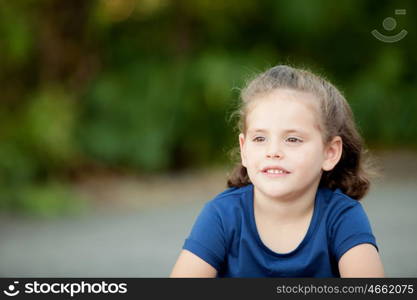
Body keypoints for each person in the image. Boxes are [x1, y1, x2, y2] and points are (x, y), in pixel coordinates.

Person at [170, 65, 384, 277]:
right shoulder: (222, 215)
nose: (273, 151)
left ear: (329, 152)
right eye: (260, 138)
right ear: (244, 149)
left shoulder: (342, 217)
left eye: (292, 139)